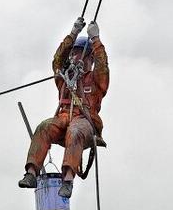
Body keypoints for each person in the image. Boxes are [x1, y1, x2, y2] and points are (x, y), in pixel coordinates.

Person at [19, 17, 109, 198]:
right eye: (73, 53)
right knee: (44, 126)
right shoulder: (64, 77)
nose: (75, 57)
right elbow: (57, 61)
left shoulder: (96, 79)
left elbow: (102, 65)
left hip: (85, 121)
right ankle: (31, 173)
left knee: (75, 131)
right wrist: (73, 33)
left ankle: (67, 180)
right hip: (63, 119)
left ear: (90, 58)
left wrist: (95, 39)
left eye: (80, 53)